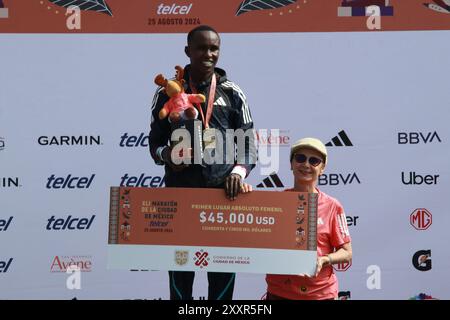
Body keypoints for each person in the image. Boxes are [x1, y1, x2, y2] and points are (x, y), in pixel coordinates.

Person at [149, 25, 256, 300]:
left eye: (214, 48)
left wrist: (238, 173)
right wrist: (168, 157)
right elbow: (155, 143)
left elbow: (248, 145)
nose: (208, 54)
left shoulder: (233, 93)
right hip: (180, 198)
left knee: (221, 285)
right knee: (180, 283)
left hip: (223, 198)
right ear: (188, 51)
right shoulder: (167, 94)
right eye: (201, 48)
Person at [242, 137, 352, 300]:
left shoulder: (332, 206)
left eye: (314, 161)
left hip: (321, 294)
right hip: (280, 293)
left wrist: (324, 260)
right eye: (300, 158)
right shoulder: (275, 204)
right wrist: (243, 199)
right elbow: (254, 239)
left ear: (322, 168)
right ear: (291, 164)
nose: (306, 165)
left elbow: (346, 253)